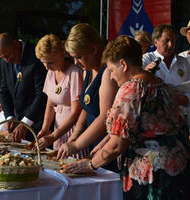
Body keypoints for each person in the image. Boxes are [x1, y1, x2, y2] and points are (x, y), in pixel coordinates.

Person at [63, 35, 190, 199]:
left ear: (123, 64)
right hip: (177, 170)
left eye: (111, 70)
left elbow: (117, 145)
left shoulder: (131, 89)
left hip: (152, 176)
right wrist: (103, 144)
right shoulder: (160, 85)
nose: (111, 77)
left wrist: (90, 164)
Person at [56, 23, 119, 171]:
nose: (76, 62)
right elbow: (87, 107)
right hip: (92, 143)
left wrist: (77, 145)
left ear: (93, 49)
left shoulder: (108, 73)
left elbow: (105, 117)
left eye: (79, 57)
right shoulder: (88, 70)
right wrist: (75, 136)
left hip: (106, 147)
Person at [34, 34, 87, 158]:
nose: (47, 67)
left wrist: (53, 135)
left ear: (61, 54)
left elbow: (76, 112)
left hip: (72, 131)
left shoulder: (75, 73)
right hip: (58, 130)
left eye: (50, 62)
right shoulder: (51, 72)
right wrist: (45, 128)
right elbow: (50, 103)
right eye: (43, 63)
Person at [0, 32, 47, 142]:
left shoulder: (36, 57)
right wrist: (9, 117)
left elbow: (42, 94)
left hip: (39, 124)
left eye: (8, 56)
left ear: (16, 44)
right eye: (2, 57)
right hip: (18, 123)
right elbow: (4, 91)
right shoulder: (5, 61)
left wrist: (25, 123)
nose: (6, 60)